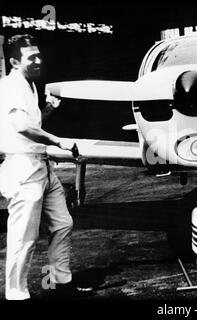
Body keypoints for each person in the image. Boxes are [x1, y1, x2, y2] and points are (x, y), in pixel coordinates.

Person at [0, 34, 90, 300]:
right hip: (22, 167)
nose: (39, 60)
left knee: (62, 223)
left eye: (40, 55)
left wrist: (48, 110)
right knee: (23, 237)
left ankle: (60, 282)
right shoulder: (9, 86)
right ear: (15, 61)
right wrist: (58, 140)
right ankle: (17, 295)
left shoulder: (29, 85)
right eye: (32, 57)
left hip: (41, 165)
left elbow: (31, 124)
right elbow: (21, 127)